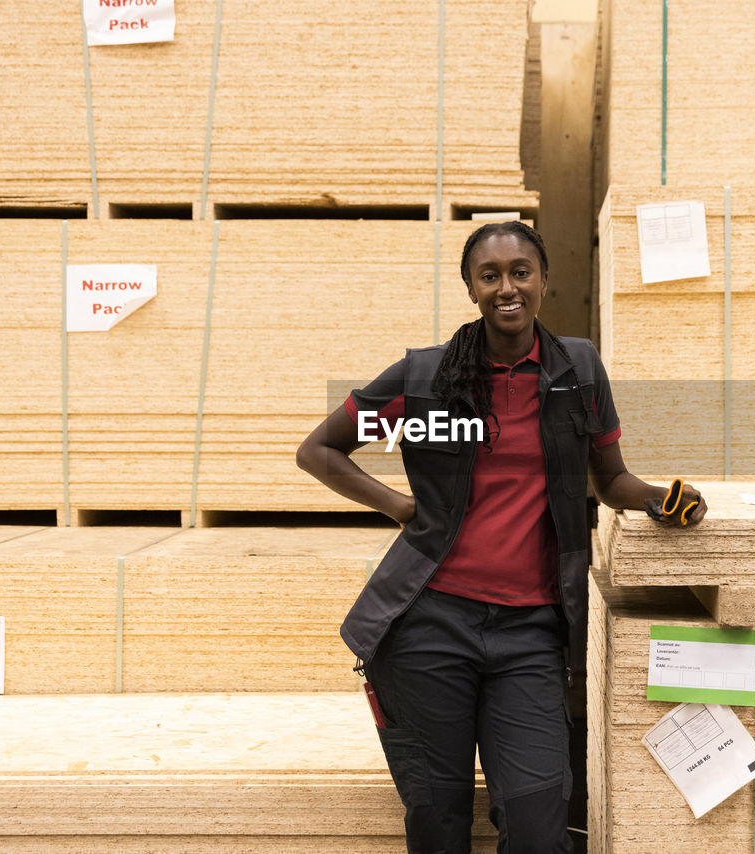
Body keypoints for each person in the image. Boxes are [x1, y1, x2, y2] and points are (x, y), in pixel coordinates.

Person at [296, 221, 705, 853]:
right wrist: (400, 506)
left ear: (544, 280)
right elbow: (320, 450)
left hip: (531, 634)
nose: (506, 287)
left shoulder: (578, 371)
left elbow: (613, 478)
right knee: (439, 823)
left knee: (541, 826)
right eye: (489, 275)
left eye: (520, 271)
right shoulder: (425, 379)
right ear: (471, 288)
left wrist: (660, 500)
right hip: (429, 627)